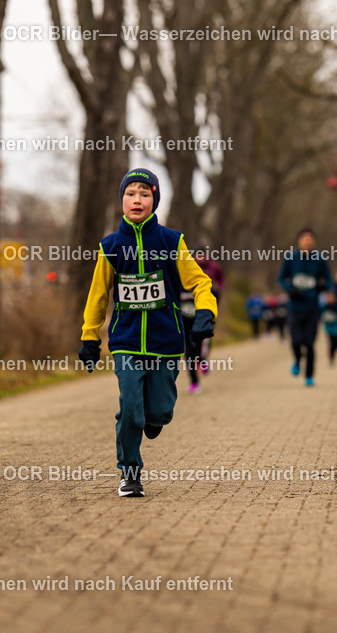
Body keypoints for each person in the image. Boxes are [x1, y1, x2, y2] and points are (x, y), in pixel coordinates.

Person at [79, 168, 218, 497]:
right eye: (130, 194)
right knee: (130, 407)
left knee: (158, 412)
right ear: (122, 201)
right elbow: (98, 295)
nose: (137, 199)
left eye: (144, 193)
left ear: (154, 199)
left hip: (165, 341)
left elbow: (199, 282)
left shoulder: (172, 241)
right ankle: (130, 473)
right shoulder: (110, 246)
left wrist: (205, 313)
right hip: (125, 341)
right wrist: (89, 336)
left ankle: (154, 418)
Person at [278, 228, 331, 386]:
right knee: (295, 341)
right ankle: (296, 359)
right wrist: (289, 289)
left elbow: (328, 280)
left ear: (313, 242)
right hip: (295, 306)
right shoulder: (291, 258)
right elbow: (281, 278)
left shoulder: (320, 260)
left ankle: (309, 376)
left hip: (312, 307)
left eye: (309, 239)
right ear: (299, 241)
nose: (307, 241)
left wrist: (321, 288)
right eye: (304, 239)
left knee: (309, 343)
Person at [193, 246, 225, 375]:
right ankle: (195, 359)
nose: (200, 258)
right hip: (192, 303)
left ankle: (202, 359)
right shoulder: (191, 266)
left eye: (202, 255)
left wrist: (219, 289)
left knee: (206, 332)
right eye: (198, 255)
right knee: (192, 332)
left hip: (210, 302)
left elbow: (222, 280)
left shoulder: (214, 267)